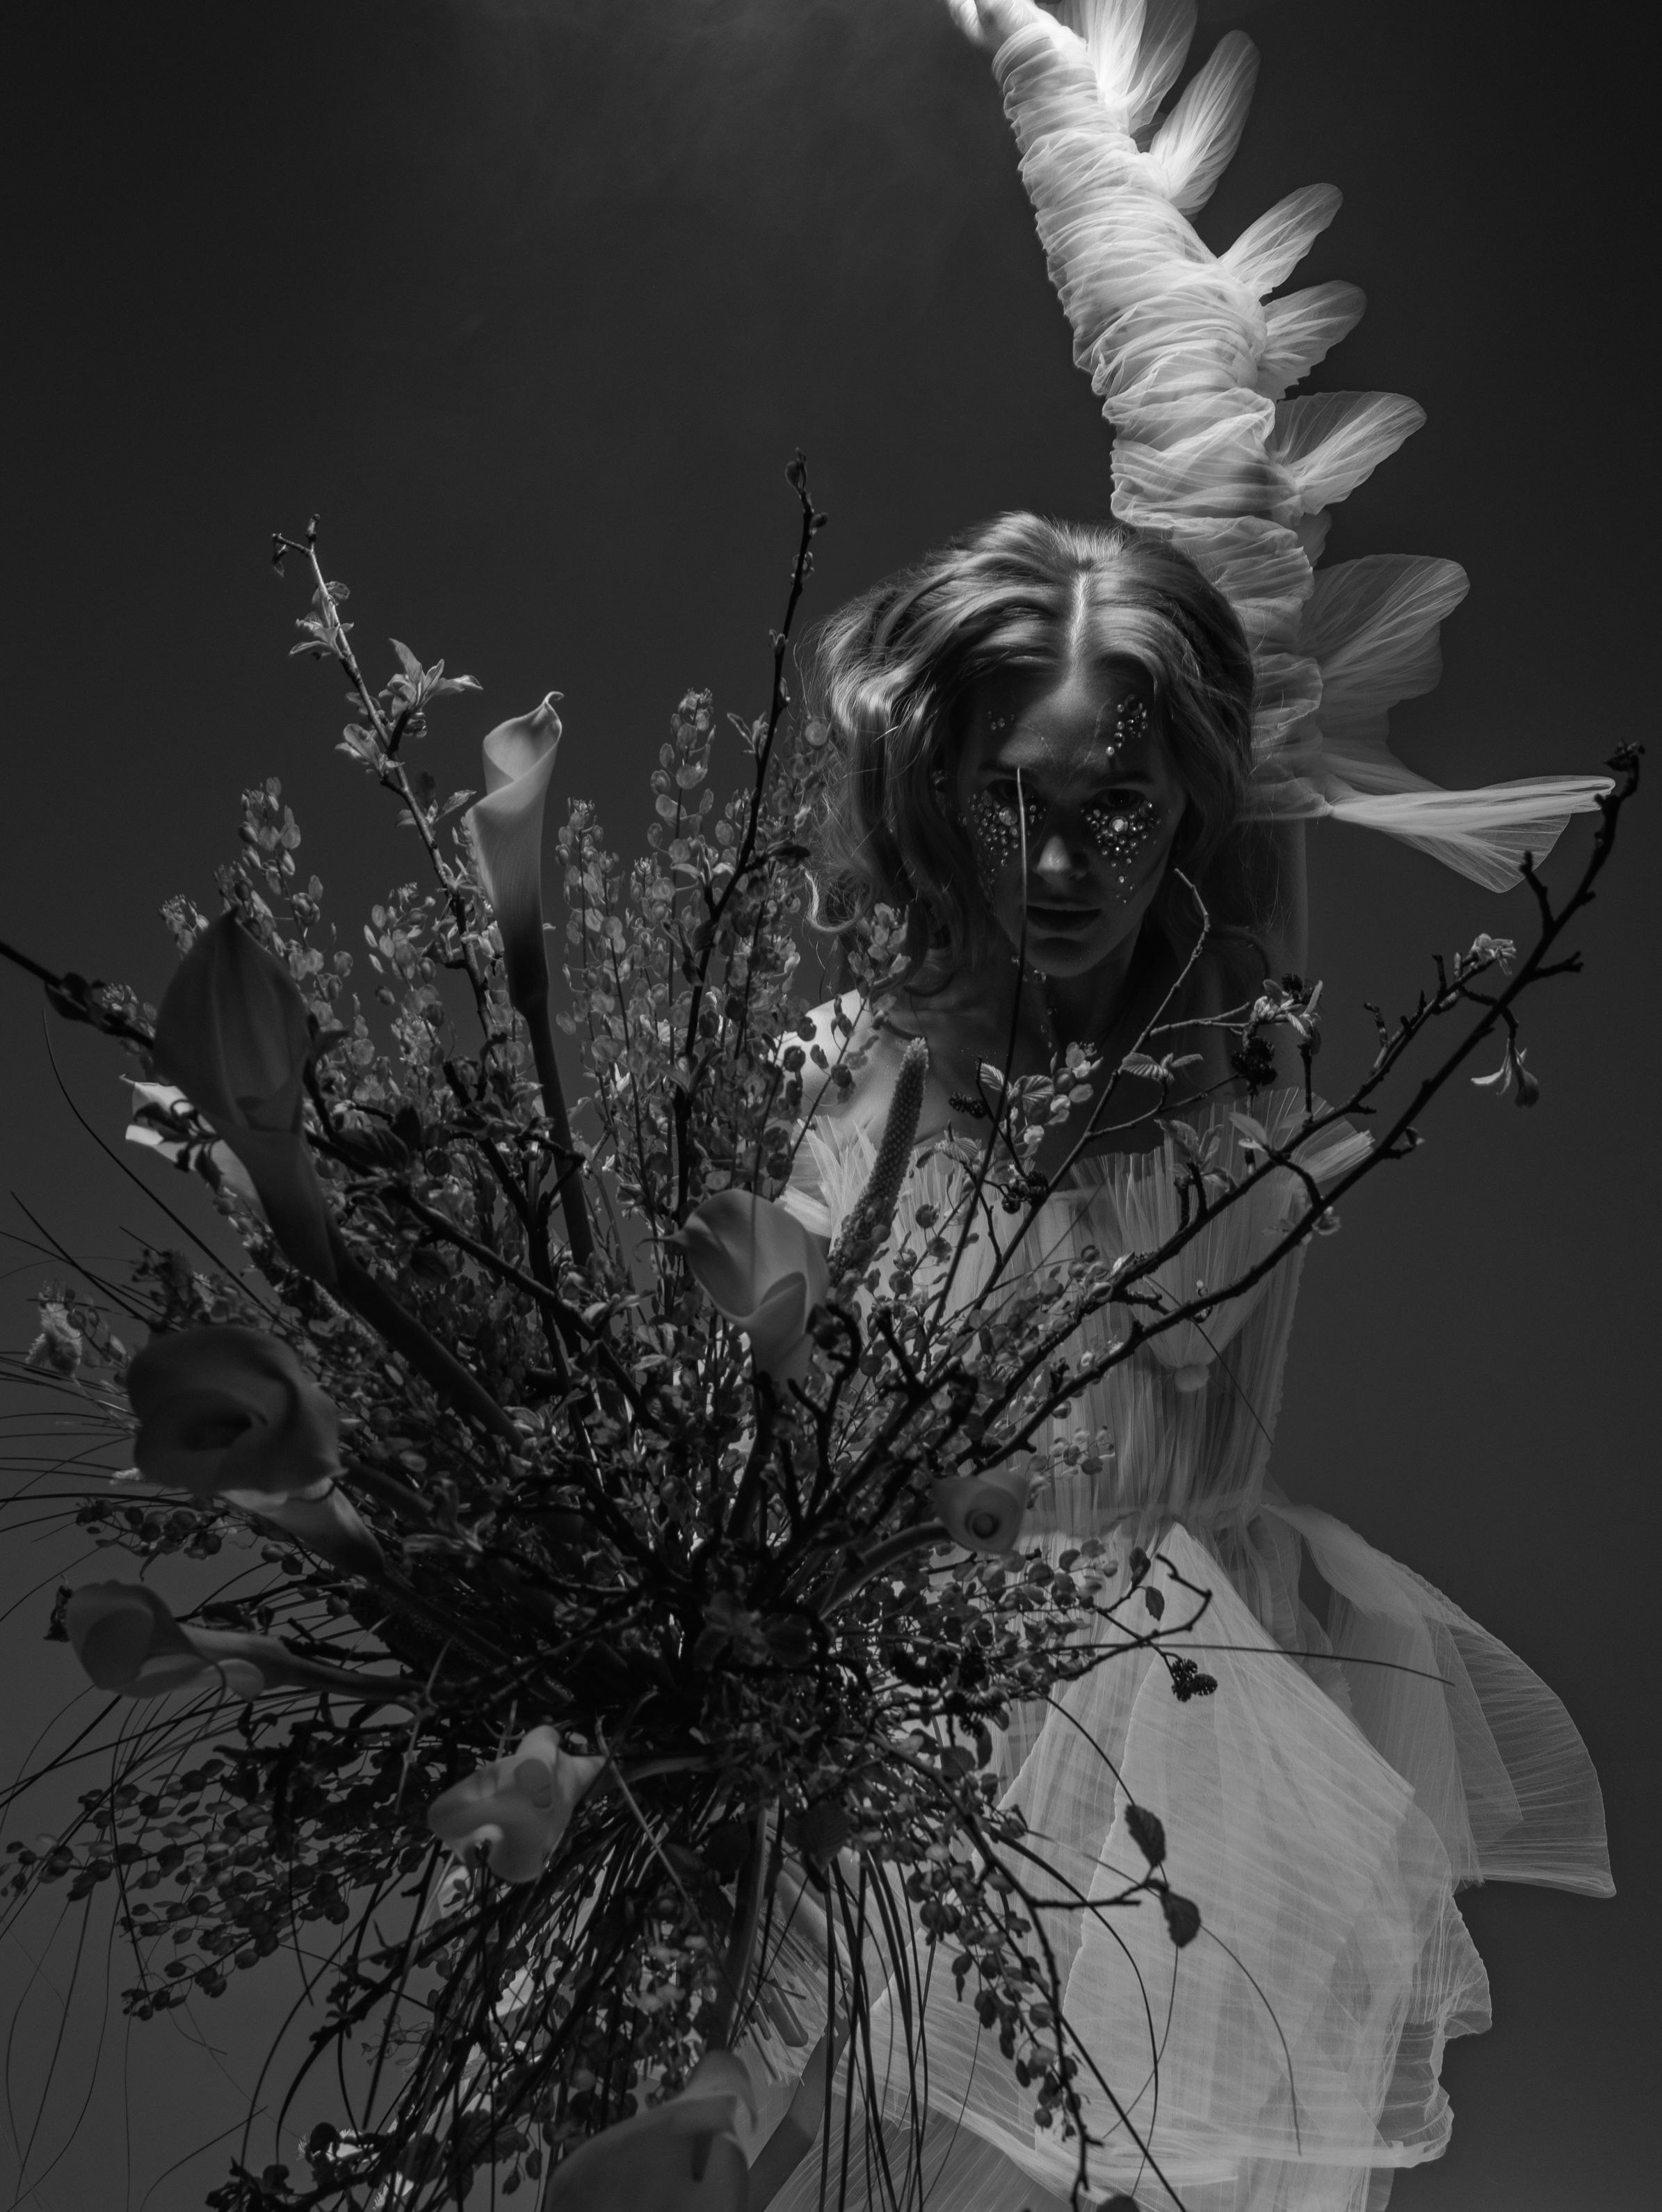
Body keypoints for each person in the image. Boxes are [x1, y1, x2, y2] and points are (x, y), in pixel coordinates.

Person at [750, 6, 1615, 2209]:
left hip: (1173, 1742)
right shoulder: (859, 1088)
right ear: (941, 791)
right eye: (1014, 805)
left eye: (1118, 811)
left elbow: (1215, 472)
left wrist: (1059, 100)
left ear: (1190, 808)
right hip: (874, 1719)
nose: (1064, 864)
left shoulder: (1233, 1034)